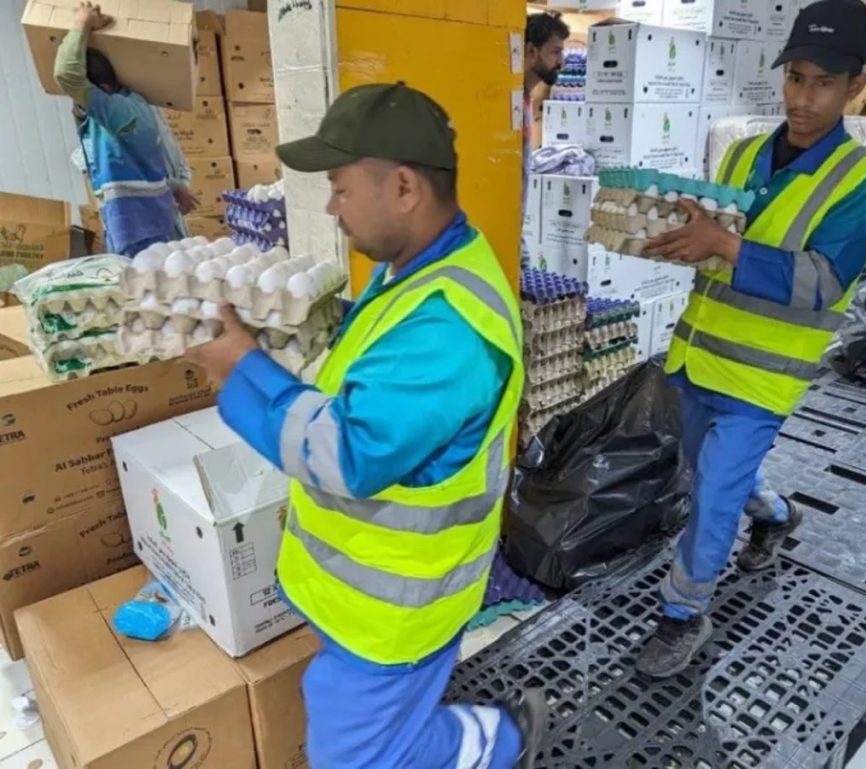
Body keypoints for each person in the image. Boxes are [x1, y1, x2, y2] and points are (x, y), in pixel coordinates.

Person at [184, 82, 545, 768]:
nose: (331, 206)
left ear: (404, 187)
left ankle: (500, 740)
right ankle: (493, 739)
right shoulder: (414, 272)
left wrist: (244, 369)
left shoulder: (449, 326)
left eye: (341, 187)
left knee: (356, 757)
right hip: (365, 597)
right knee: (369, 738)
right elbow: (371, 378)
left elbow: (348, 452)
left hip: (398, 608)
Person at [635, 0, 866, 678]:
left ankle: (682, 613)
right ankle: (778, 515)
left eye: (823, 84)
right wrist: (676, 233)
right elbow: (716, 238)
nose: (802, 99)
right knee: (709, 475)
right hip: (698, 356)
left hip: (761, 378)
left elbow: (819, 281)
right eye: (795, 78)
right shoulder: (744, 153)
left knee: (713, 496)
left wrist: (722, 244)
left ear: (855, 88)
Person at [54, 1, 197, 256]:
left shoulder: (116, 113)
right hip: (150, 223)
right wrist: (177, 186)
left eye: (82, 96)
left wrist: (82, 23)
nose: (77, 102)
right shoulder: (136, 105)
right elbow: (146, 171)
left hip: (137, 231)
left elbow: (66, 74)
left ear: (103, 90)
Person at [521, 12, 569, 264]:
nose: (561, 62)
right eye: (555, 52)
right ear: (531, 51)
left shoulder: (525, 99)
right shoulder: (508, 101)